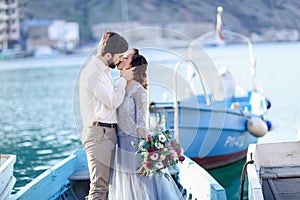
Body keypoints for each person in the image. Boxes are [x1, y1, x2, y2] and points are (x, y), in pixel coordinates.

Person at [109, 49, 184, 200]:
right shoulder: (118, 86)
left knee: (141, 185)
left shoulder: (139, 90)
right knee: (125, 186)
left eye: (126, 58)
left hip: (134, 145)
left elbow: (141, 124)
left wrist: (148, 151)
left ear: (133, 66)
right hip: (120, 145)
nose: (122, 59)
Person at [79, 32, 134, 200]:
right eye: (119, 56)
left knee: (108, 187)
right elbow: (112, 101)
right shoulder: (94, 73)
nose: (119, 60)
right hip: (98, 134)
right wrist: (123, 79)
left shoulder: (103, 71)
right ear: (108, 54)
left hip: (107, 132)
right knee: (99, 187)